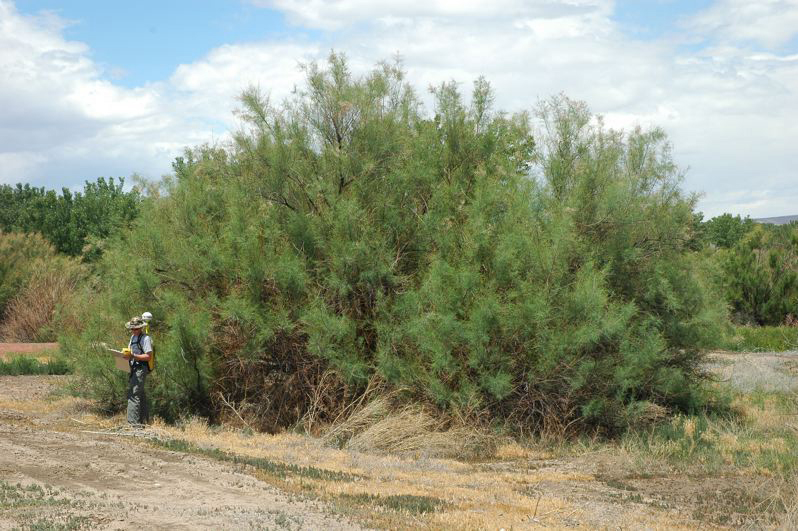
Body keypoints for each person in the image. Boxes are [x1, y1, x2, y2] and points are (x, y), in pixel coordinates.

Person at [125, 316, 153, 427]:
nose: (133, 331)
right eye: (132, 329)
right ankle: (144, 420)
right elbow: (130, 352)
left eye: (136, 328)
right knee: (140, 394)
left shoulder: (145, 339)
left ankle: (133, 423)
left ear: (141, 328)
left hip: (141, 368)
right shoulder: (132, 338)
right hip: (133, 368)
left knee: (134, 394)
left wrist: (134, 356)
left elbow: (148, 356)